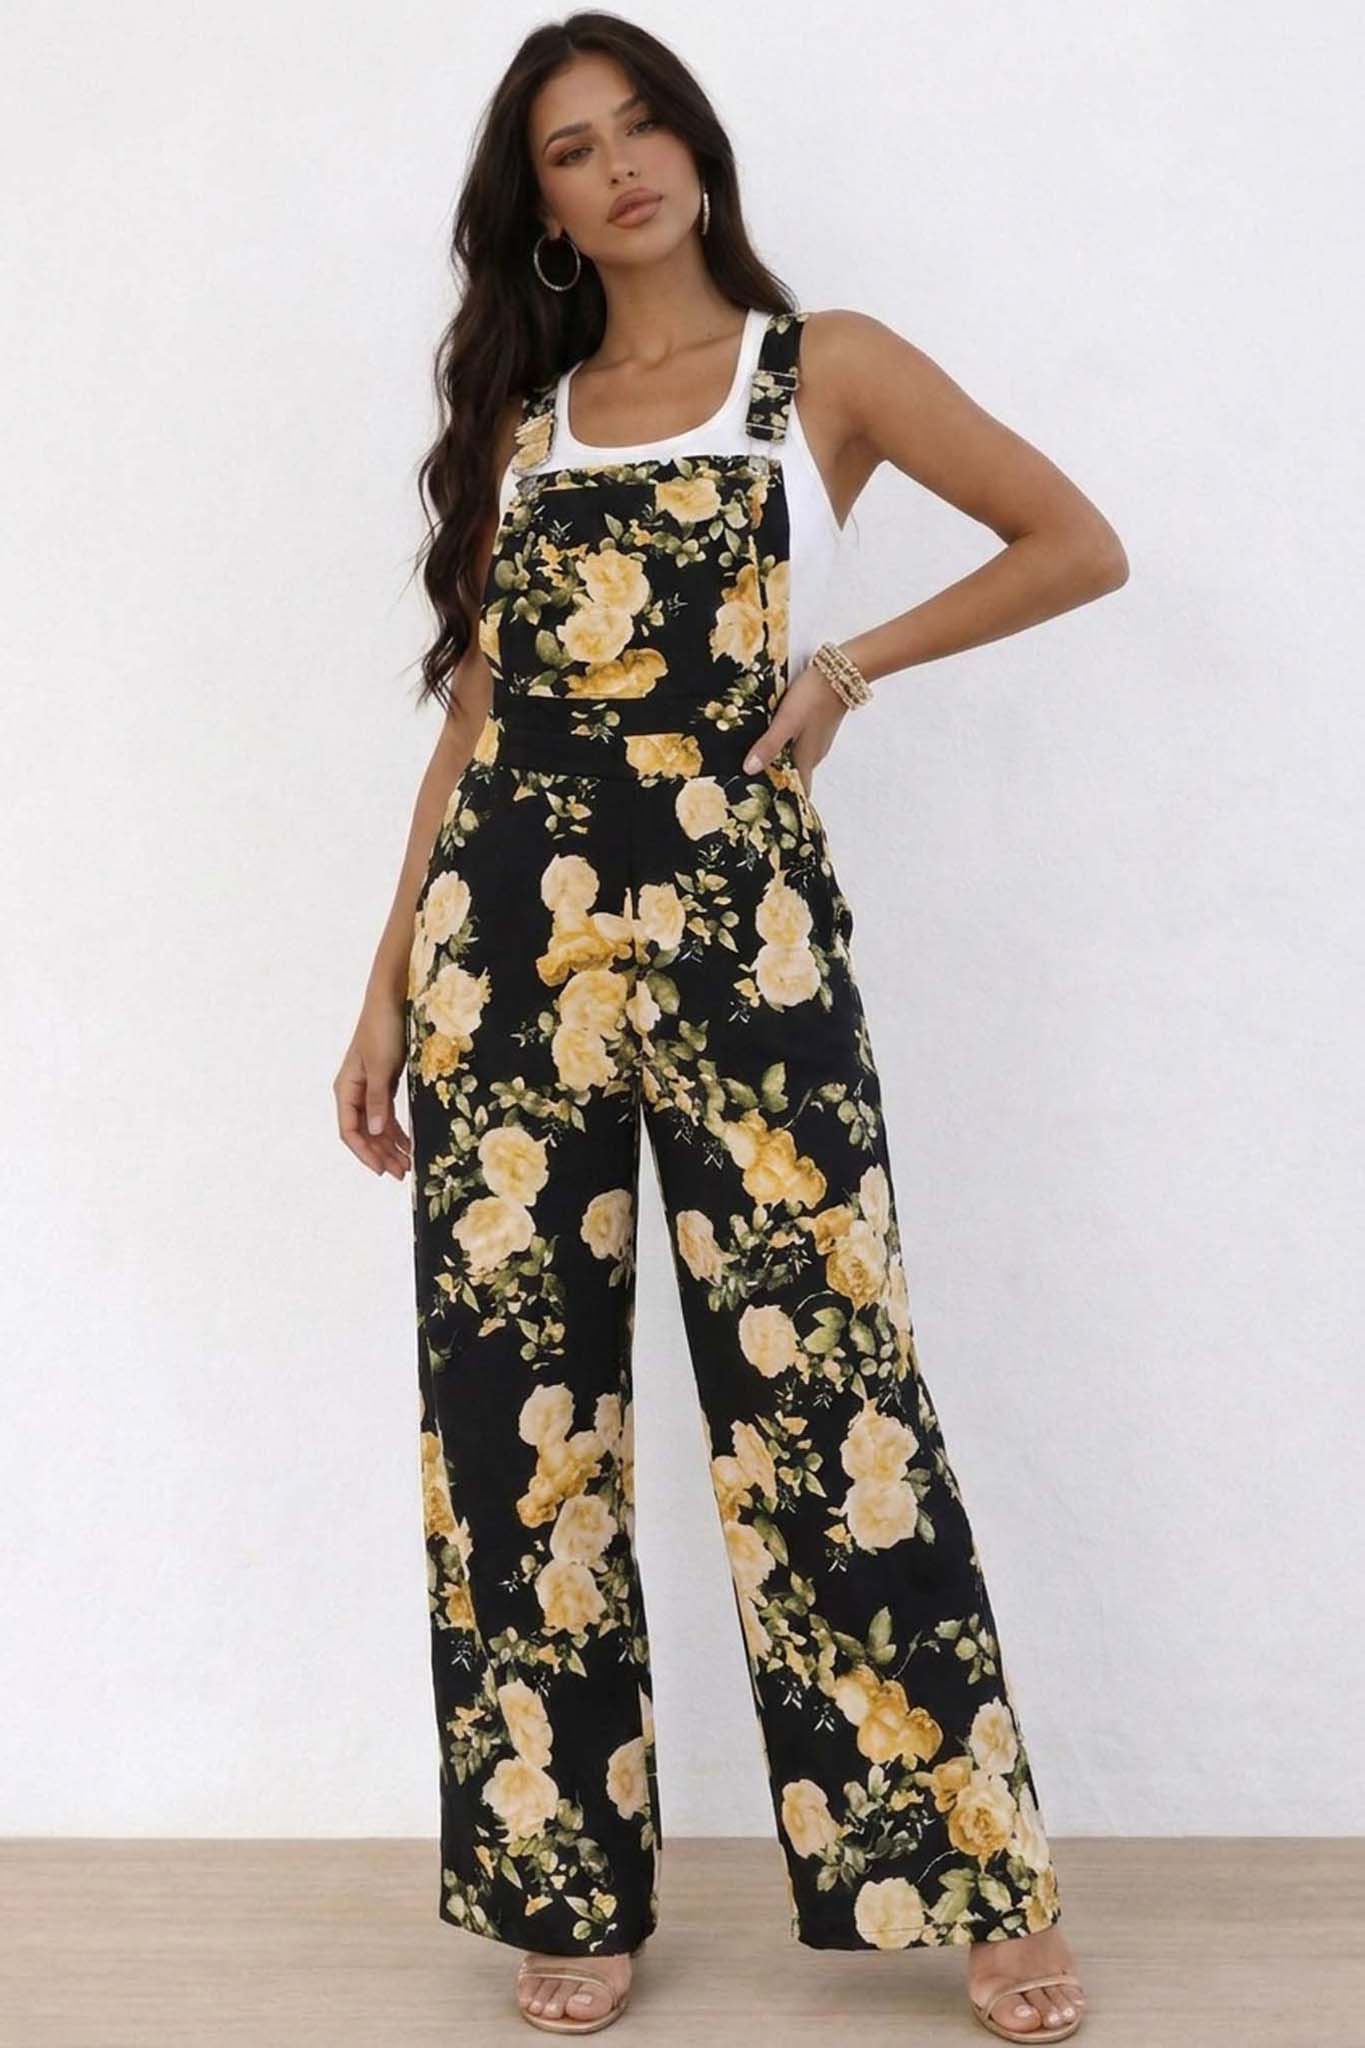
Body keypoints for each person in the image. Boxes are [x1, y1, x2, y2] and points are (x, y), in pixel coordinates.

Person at [334, 13, 1125, 2041]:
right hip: (503, 957)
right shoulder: (528, 420)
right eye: (570, 149)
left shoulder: (818, 368)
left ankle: (970, 1874)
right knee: (516, 1429)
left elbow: (1072, 543)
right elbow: (477, 722)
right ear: (538, 207)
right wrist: (383, 985)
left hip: (742, 954)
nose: (618, 167)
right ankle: (563, 1881)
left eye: (641, 126)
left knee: (831, 1399)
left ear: (692, 147)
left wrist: (846, 665)